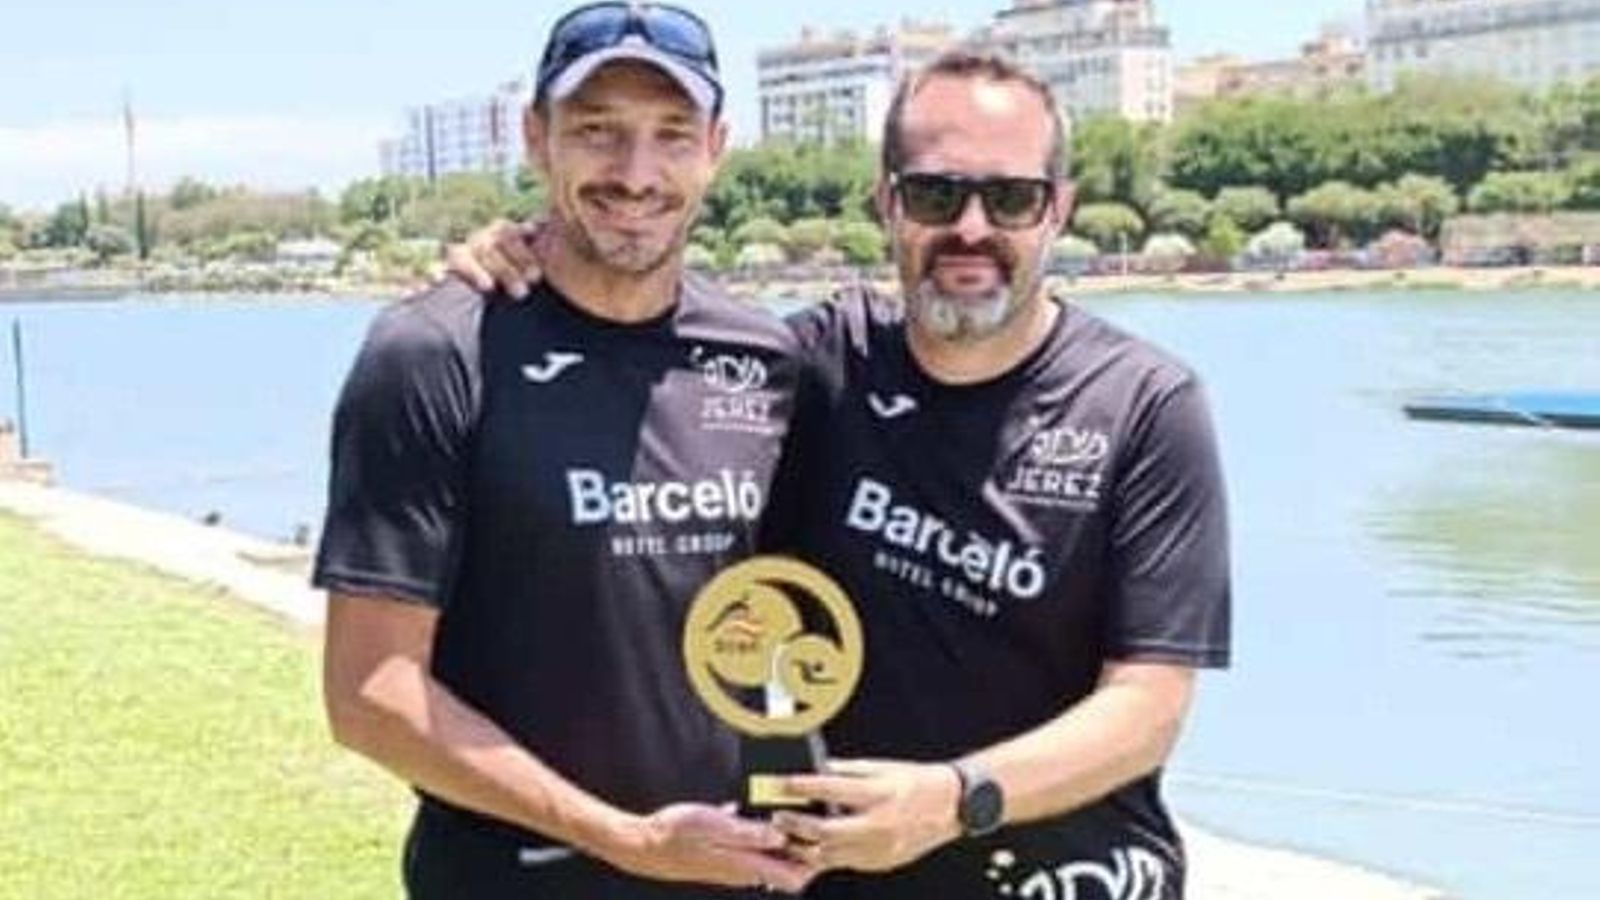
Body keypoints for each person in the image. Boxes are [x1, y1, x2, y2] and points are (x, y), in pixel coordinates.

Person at [450, 51, 1231, 900]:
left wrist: (950, 799)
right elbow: (643, 350)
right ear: (886, 201)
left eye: (1010, 197)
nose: (972, 228)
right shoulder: (815, 364)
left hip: (1070, 869)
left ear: (1058, 211)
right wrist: (531, 252)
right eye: (935, 194)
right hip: (834, 876)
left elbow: (1149, 705)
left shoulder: (1147, 404)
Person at [313, 3, 815, 897]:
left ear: (718, 146)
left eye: (672, 133)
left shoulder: (768, 358)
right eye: (597, 131)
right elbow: (370, 692)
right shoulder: (432, 354)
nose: (636, 172)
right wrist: (620, 838)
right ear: (536, 138)